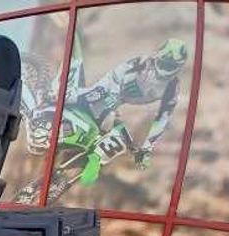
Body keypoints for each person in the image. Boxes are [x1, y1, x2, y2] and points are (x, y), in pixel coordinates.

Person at [74, 38, 188, 170]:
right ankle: (54, 97)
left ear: (179, 66)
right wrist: (113, 94)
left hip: (119, 102)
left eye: (170, 66)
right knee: (90, 98)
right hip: (108, 88)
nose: (165, 68)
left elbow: (162, 119)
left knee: (120, 136)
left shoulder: (172, 87)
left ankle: (90, 158)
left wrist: (146, 148)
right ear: (157, 58)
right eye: (163, 63)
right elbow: (116, 75)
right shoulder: (141, 63)